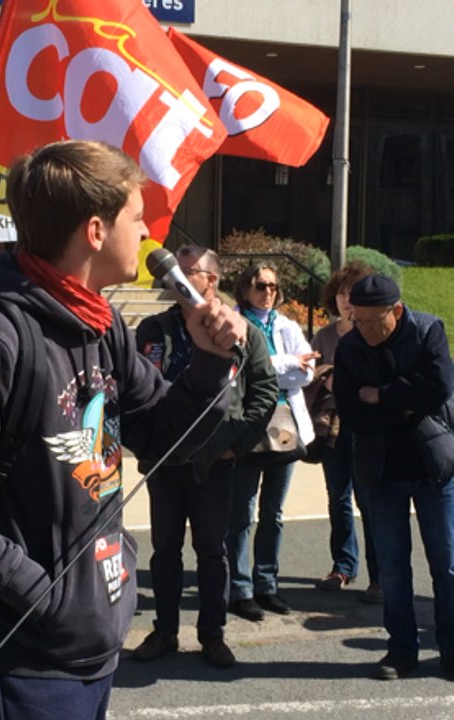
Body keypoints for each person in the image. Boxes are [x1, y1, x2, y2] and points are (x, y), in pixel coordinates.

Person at [0, 139, 245, 720]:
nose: (149, 232)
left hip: (93, 639)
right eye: (138, 217)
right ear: (97, 231)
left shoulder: (102, 326)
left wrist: (207, 361)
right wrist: (37, 592)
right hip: (28, 658)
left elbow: (162, 438)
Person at [334, 274, 454, 687]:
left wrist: (381, 395)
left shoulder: (427, 330)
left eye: (371, 321)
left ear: (396, 311)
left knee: (448, 565)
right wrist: (403, 404)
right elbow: (351, 410)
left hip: (432, 465)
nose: (363, 329)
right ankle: (402, 650)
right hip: (381, 470)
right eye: (356, 319)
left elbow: (438, 386)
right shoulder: (349, 346)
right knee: (393, 570)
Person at [131, 245, 278, 669]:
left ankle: (212, 635)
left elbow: (265, 390)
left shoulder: (239, 329)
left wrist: (238, 440)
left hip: (215, 461)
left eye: (187, 271)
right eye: (173, 270)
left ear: (210, 281)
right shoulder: (154, 329)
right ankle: (165, 631)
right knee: (164, 552)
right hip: (166, 462)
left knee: (213, 552)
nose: (174, 277)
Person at [225, 263, 315, 622]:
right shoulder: (234, 322)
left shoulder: (286, 325)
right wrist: (288, 364)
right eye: (261, 285)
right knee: (241, 514)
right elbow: (242, 367)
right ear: (245, 288)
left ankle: (267, 584)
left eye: (274, 286)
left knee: (273, 514)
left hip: (285, 428)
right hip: (247, 428)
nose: (268, 292)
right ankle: (240, 589)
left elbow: (306, 374)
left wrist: (285, 367)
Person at [307, 262, 381, 603]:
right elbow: (308, 376)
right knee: (338, 498)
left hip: (365, 425)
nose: (346, 299)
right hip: (331, 427)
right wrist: (325, 375)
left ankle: (379, 575)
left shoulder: (373, 332)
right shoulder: (323, 335)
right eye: (341, 292)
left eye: (353, 292)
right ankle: (343, 566)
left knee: (369, 499)